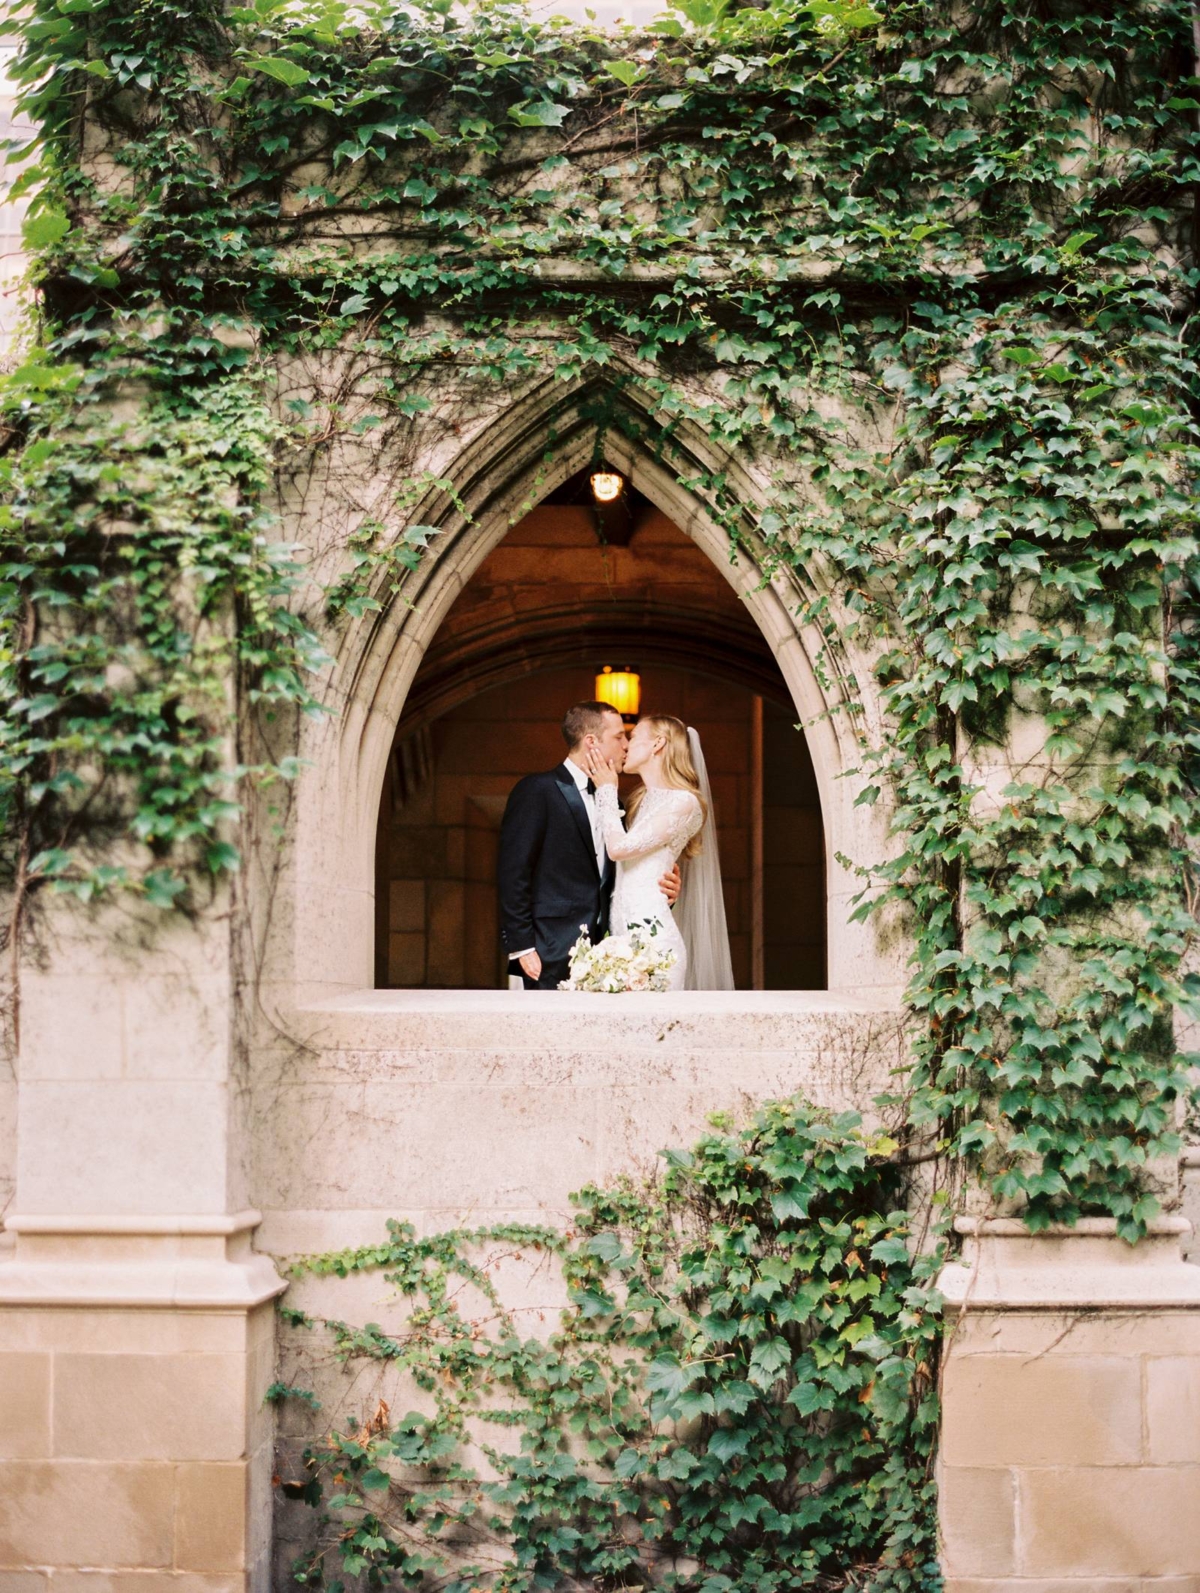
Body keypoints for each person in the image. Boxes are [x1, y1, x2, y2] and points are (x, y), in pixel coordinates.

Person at [497, 701, 681, 990]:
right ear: (591, 742)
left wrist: (663, 889)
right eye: (619, 737)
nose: (625, 746)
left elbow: (626, 874)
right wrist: (522, 946)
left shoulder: (615, 803)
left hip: (607, 954)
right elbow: (513, 872)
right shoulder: (538, 790)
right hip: (548, 949)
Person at [584, 713, 735, 992]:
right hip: (620, 938)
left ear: (658, 744)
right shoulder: (640, 802)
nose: (626, 745)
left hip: (655, 945)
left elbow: (619, 849)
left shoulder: (684, 802)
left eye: (634, 736)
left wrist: (606, 790)